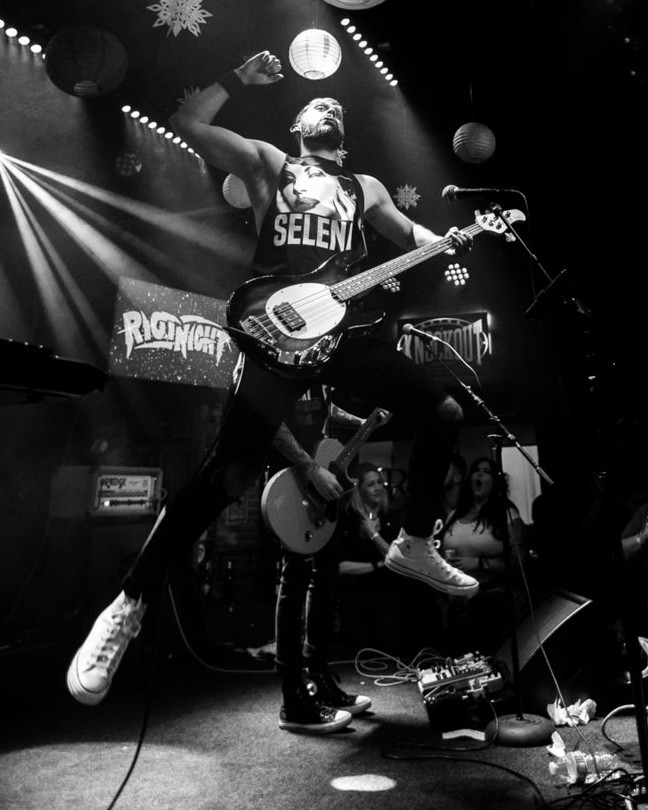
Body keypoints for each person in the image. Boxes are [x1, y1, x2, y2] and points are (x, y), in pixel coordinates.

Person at [66, 49, 479, 731]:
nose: (327, 106)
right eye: (316, 105)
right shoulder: (270, 165)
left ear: (342, 132)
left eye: (334, 106)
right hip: (280, 332)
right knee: (225, 476)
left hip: (342, 333)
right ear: (298, 126)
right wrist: (236, 78)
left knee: (444, 409)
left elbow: (415, 235)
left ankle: (413, 541)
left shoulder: (365, 188)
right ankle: (128, 603)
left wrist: (450, 240)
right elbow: (190, 124)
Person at [266, 386, 380, 733]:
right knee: (295, 581)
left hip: (321, 484)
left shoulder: (319, 369)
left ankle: (318, 677)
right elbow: (270, 421)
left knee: (326, 578)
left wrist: (364, 421)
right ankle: (293, 696)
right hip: (293, 482)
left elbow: (326, 410)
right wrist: (310, 467)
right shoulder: (283, 367)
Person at [438, 456, 529, 653]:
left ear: (495, 481)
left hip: (491, 601)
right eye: (476, 471)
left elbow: (519, 562)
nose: (479, 475)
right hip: (457, 603)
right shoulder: (454, 515)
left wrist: (479, 563)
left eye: (486, 472)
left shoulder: (506, 514)